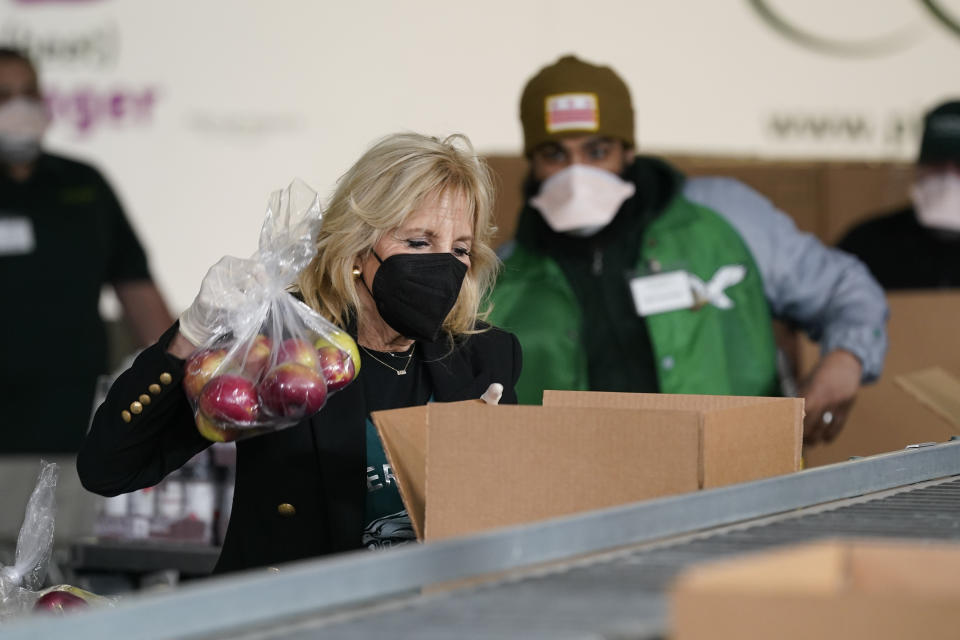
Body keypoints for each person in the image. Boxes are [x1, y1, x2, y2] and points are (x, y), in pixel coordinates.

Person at [78, 132, 522, 572]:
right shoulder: (280, 348)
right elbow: (110, 469)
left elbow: (510, 523)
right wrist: (190, 335)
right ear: (358, 249)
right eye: (418, 242)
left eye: (460, 249)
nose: (443, 265)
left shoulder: (483, 358)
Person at [488, 55, 888, 445]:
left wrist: (846, 359)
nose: (578, 175)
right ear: (532, 162)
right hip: (579, 501)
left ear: (628, 150)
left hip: (737, 488)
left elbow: (844, 288)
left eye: (597, 151)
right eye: (555, 155)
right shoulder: (503, 279)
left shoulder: (725, 218)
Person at [0, 48, 173, 453]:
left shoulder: (85, 184)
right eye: (3, 96)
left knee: (74, 516)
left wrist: (179, 375)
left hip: (77, 419)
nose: (19, 107)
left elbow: (138, 290)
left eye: (28, 92)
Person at [838, 100, 960, 289]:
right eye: (936, 164)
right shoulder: (868, 245)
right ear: (919, 167)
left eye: (959, 165)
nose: (948, 177)